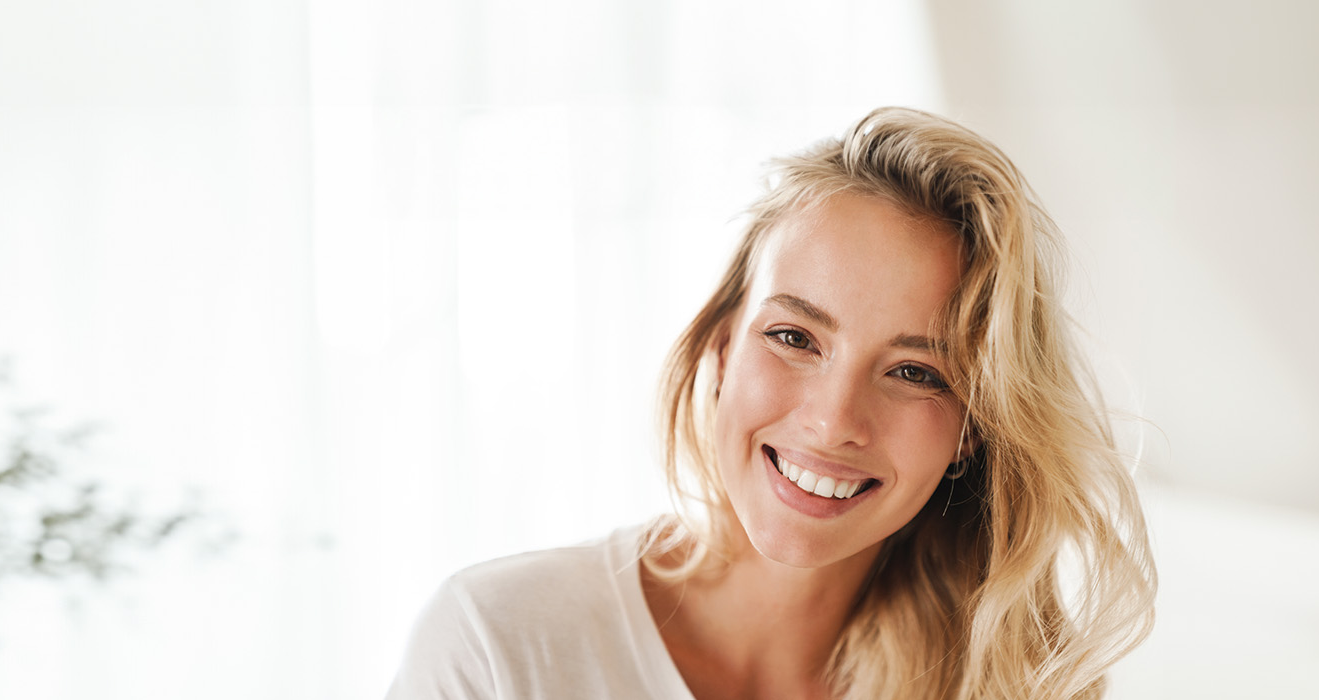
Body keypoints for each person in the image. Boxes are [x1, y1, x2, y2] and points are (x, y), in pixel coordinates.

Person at [385, 107, 1157, 700]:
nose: (832, 421)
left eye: (918, 373)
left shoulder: (999, 686)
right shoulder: (501, 645)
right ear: (720, 347)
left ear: (973, 431)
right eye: (794, 337)